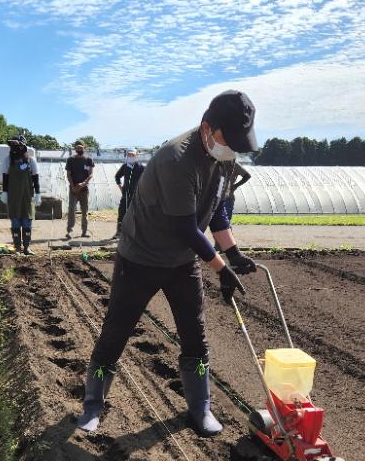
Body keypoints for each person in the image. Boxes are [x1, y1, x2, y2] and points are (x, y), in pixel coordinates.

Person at [77, 90, 260, 437]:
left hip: (182, 263)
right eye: (228, 140)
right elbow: (186, 228)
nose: (232, 149)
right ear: (207, 127)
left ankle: (199, 408)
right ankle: (93, 404)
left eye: (238, 143)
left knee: (195, 336)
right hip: (140, 258)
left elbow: (218, 210)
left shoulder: (225, 159)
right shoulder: (177, 158)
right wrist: (221, 268)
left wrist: (233, 253)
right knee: (116, 334)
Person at [1, 134, 41, 254]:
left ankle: (27, 247)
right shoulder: (7, 160)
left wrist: (38, 193)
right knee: (15, 222)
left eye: (16, 145)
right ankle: (17, 247)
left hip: (27, 196)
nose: (14, 148)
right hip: (13, 196)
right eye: (12, 145)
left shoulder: (30, 160)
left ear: (23, 146)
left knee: (27, 221)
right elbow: (5, 178)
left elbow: (35, 177)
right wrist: (4, 191)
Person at [65, 140, 94, 239]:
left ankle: (84, 232)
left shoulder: (88, 159)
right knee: (71, 210)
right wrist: (73, 186)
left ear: (84, 147)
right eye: (77, 147)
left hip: (84, 190)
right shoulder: (70, 160)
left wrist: (83, 184)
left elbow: (90, 174)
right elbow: (68, 174)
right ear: (75, 149)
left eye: (80, 147)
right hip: (73, 190)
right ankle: (70, 232)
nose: (79, 149)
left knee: (84, 211)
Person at [113, 148, 145, 238]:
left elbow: (146, 179)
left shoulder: (141, 167)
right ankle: (119, 232)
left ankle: (137, 234)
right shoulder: (125, 167)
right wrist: (120, 187)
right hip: (126, 194)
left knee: (136, 213)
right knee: (122, 211)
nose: (131, 156)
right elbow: (117, 176)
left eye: (133, 155)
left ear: (136, 155)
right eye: (129, 155)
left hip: (136, 195)